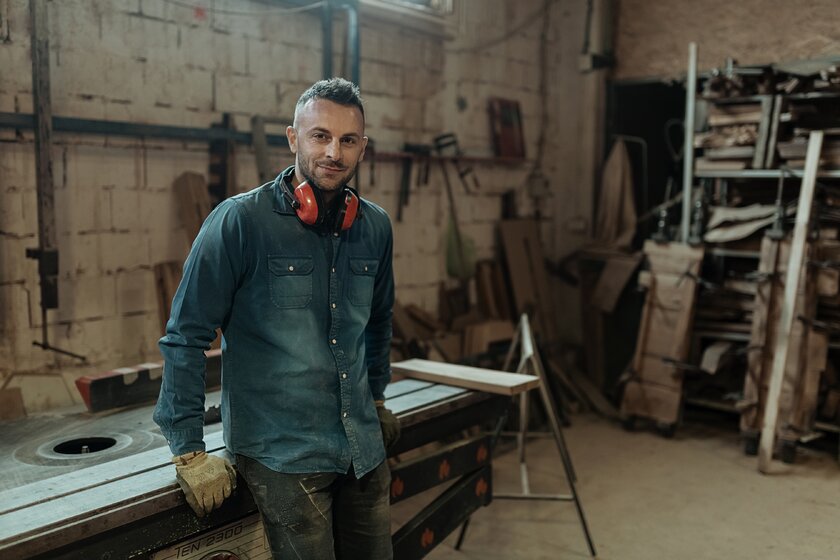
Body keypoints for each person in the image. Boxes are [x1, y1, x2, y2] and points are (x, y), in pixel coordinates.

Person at [153, 77, 399, 560]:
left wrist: (376, 395)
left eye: (348, 140)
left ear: (363, 149)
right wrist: (188, 448)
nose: (334, 151)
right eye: (320, 136)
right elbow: (186, 336)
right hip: (282, 454)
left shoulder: (375, 227)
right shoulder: (239, 221)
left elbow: (379, 321)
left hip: (361, 450)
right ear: (293, 138)